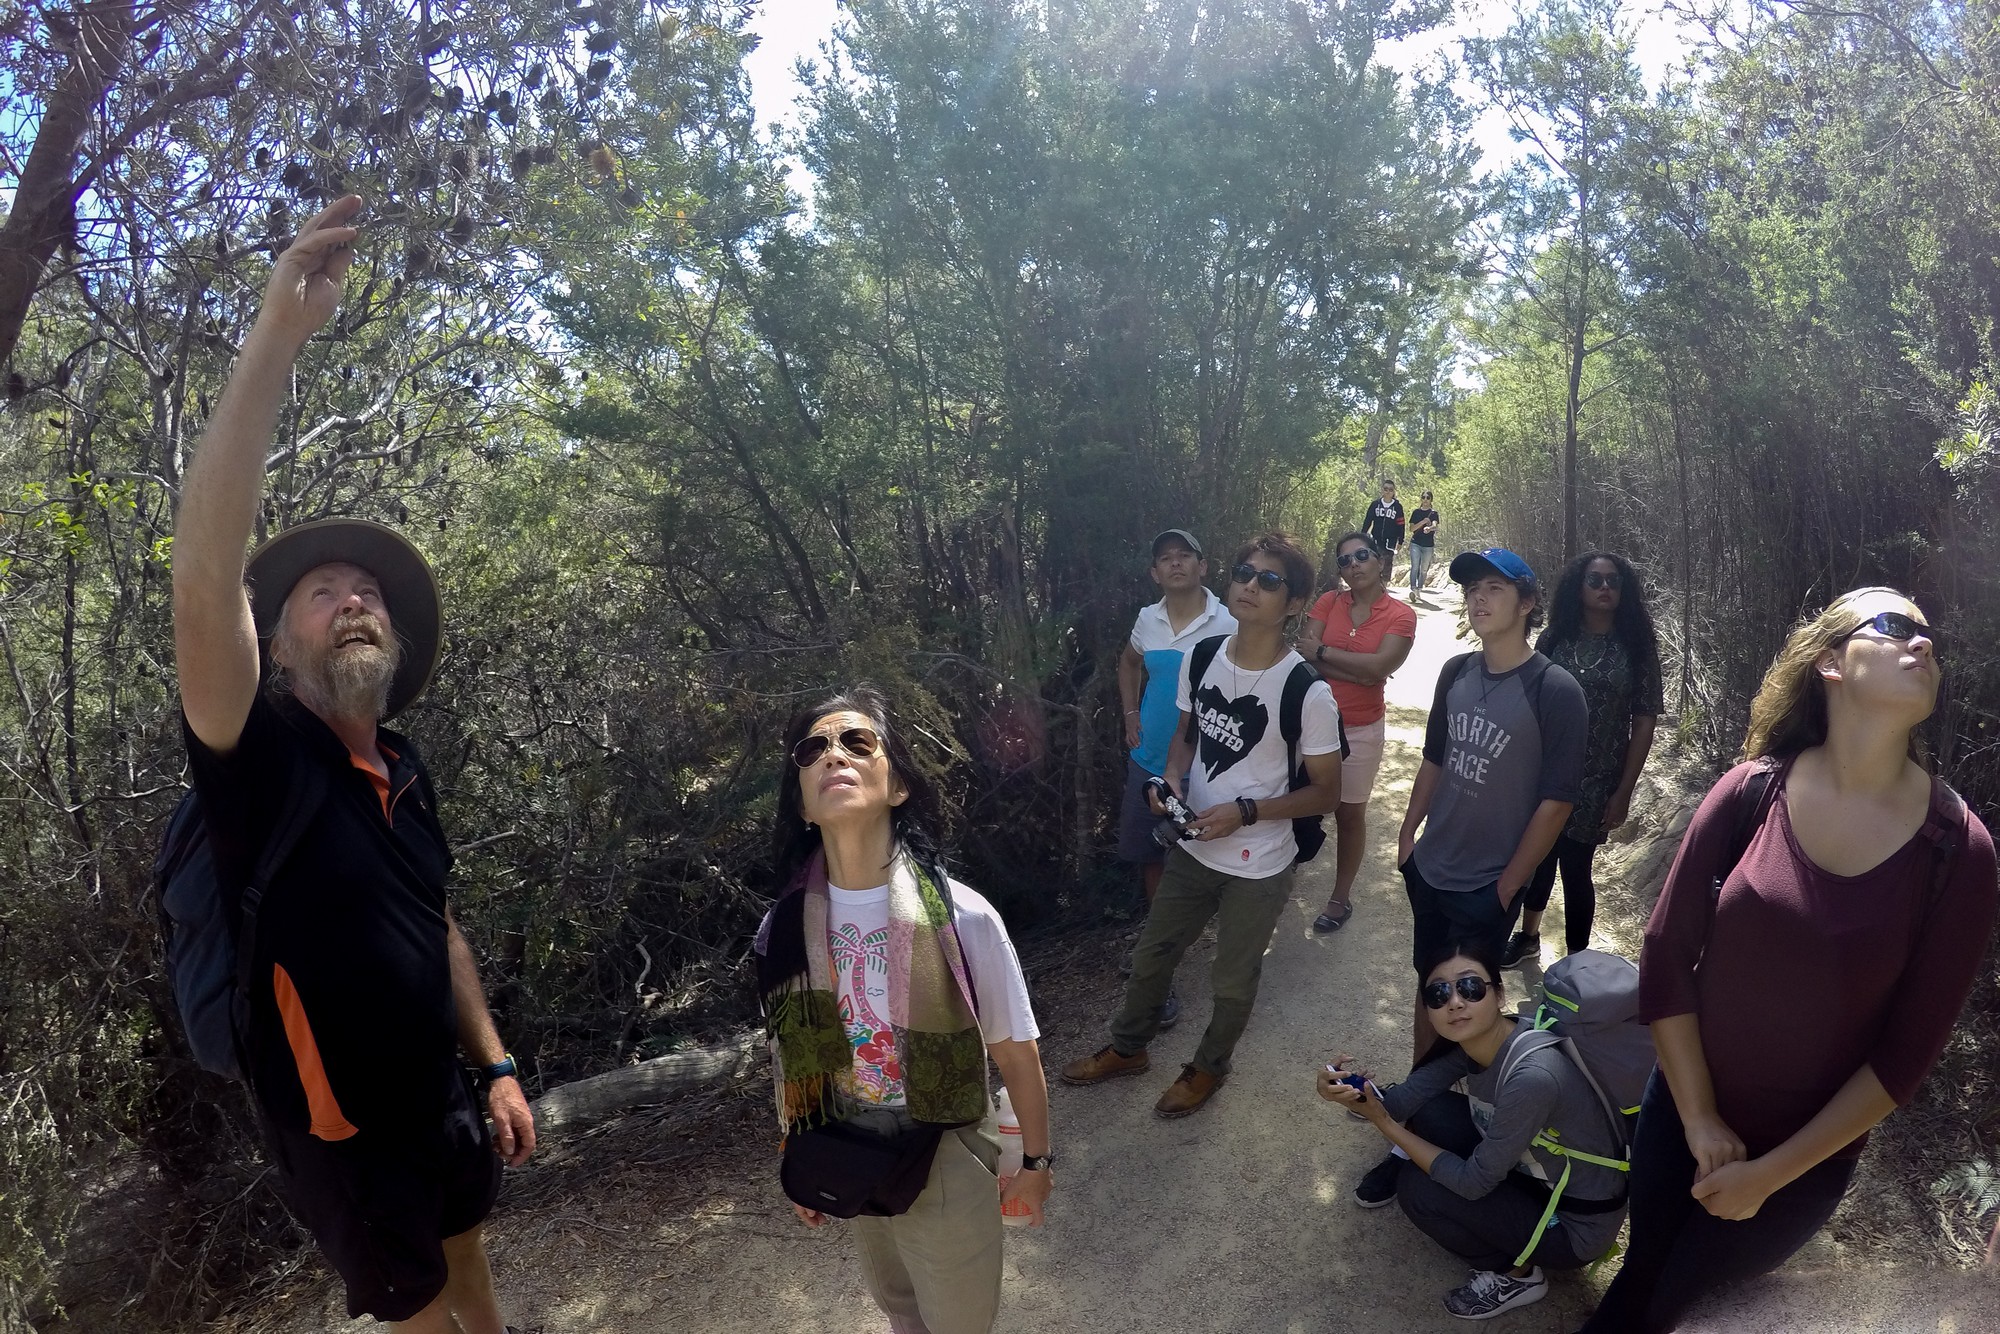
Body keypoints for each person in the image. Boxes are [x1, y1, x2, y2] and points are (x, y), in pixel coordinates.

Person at [172, 195, 534, 1332]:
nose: (353, 598)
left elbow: (436, 920)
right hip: (343, 1136)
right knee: (422, 1312)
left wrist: (493, 1062)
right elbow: (203, 581)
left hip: (440, 1094)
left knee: (475, 1279)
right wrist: (277, 337)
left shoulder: (404, 767)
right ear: (275, 647)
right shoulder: (259, 760)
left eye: (366, 589)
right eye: (321, 592)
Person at [1581, 588, 1997, 1333]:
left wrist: (1769, 1177)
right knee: (1643, 1271)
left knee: (1681, 1300)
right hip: (1681, 1111)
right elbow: (1667, 956)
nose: (1924, 644)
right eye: (1895, 627)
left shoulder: (1959, 852)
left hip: (1805, 1165)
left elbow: (1904, 1058)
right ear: (1830, 662)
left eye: (1929, 637)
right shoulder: (1751, 791)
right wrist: (1700, 1118)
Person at [758, 685, 1053, 1334]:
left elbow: (1015, 1051)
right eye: (813, 749)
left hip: (944, 1152)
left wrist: (1035, 1164)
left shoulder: (964, 917)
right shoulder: (781, 931)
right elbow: (790, 1058)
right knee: (899, 1308)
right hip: (849, 1148)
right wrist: (802, 1152)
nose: (834, 755)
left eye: (857, 741)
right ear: (803, 803)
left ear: (898, 786)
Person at [1061, 534, 1343, 1119]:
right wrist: (1169, 781)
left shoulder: (1307, 691)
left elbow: (1327, 792)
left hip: (1260, 863)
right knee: (1152, 956)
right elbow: (1186, 737)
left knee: (1233, 981)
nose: (1250, 585)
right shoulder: (1203, 656)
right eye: (1244, 572)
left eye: (1270, 580)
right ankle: (1128, 1048)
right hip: (1194, 848)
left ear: (1294, 604)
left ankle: (1209, 1067)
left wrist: (1247, 812)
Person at [1354, 547, 1587, 1209]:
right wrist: (1408, 835)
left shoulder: (1555, 690)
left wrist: (1509, 886)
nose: (1478, 599)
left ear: (1527, 602)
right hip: (1432, 868)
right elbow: (1434, 757)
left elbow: (1557, 802)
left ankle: (1433, 1138)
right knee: (1432, 993)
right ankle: (1413, 1115)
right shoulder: (1456, 671)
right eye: (1471, 589)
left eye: (1494, 588)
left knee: (1470, 1009)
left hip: (1487, 884)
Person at [1320, 940, 1628, 1321]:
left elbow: (1472, 1184)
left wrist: (1383, 1123)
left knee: (1417, 1190)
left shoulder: (1533, 1077)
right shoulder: (1479, 1043)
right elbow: (1399, 1104)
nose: (1454, 1002)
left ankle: (1518, 1276)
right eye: (1438, 993)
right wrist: (1350, 1093)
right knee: (1430, 1111)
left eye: (1470, 987)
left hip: (1572, 1225)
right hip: (1538, 1177)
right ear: (1428, 1010)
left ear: (1498, 994)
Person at [1503, 552, 1665, 967]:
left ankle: (1577, 964)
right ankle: (1528, 937)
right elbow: (1528, 701)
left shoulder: (1637, 648)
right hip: (1545, 768)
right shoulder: (1555, 638)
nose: (1604, 587)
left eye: (1613, 581)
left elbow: (1644, 720)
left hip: (1597, 778)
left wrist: (1624, 790)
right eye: (1594, 580)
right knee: (1538, 858)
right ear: (1579, 587)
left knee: (1576, 868)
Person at [1117, 528, 1238, 1027]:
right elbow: (1128, 664)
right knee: (1152, 856)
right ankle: (1160, 954)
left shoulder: (1228, 621)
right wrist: (1130, 713)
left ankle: (1220, 952)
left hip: (1209, 766)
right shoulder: (1148, 619)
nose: (1175, 564)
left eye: (1184, 555)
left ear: (1202, 566)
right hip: (1149, 761)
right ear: (1154, 572)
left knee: (1207, 858)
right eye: (1165, 558)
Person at [1295, 532, 1416, 933]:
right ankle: (1275, 884)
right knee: (1293, 803)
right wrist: (1357, 670)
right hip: (1310, 721)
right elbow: (1304, 655)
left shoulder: (1400, 615)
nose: (1354, 565)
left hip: (1361, 728)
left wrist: (1325, 654)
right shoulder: (1328, 602)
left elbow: (1379, 668)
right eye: (1345, 560)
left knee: (1349, 814)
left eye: (1361, 555)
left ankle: (1339, 898)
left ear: (1379, 560)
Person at [1361, 478, 1406, 578]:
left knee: (1387, 564)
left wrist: (1400, 541)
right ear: (1382, 490)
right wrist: (1362, 535)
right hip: (1376, 539)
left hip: (1390, 541)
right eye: (1386, 489)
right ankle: (1375, 584)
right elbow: (1368, 521)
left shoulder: (1397, 507)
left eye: (1390, 489)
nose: (1388, 491)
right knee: (1375, 562)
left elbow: (1401, 524)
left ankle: (1384, 585)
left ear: (1393, 492)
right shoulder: (1375, 505)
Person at [1407, 491, 1440, 603]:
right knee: (1415, 566)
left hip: (1428, 545)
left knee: (1424, 569)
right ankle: (1413, 589)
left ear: (1431, 500)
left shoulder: (1434, 513)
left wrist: (1429, 528)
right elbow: (1411, 529)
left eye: (1428, 497)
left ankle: (1419, 588)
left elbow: (1435, 525)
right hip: (1415, 543)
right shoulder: (1416, 512)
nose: (1425, 499)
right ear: (1421, 499)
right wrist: (1422, 522)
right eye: (1423, 497)